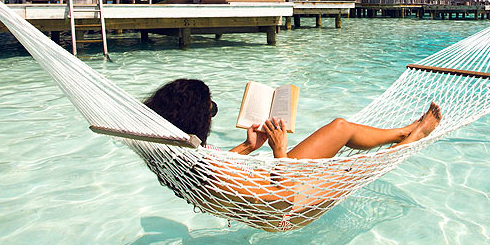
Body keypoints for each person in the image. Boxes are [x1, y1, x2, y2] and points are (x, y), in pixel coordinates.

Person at [144, 78, 442, 159]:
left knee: (340, 127)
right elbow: (282, 198)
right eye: (210, 110)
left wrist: (248, 147)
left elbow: (216, 165)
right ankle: (415, 134)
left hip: (271, 184)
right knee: (358, 166)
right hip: (285, 204)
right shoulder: (198, 162)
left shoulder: (182, 151)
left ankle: (405, 130)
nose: (211, 117)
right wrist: (279, 150)